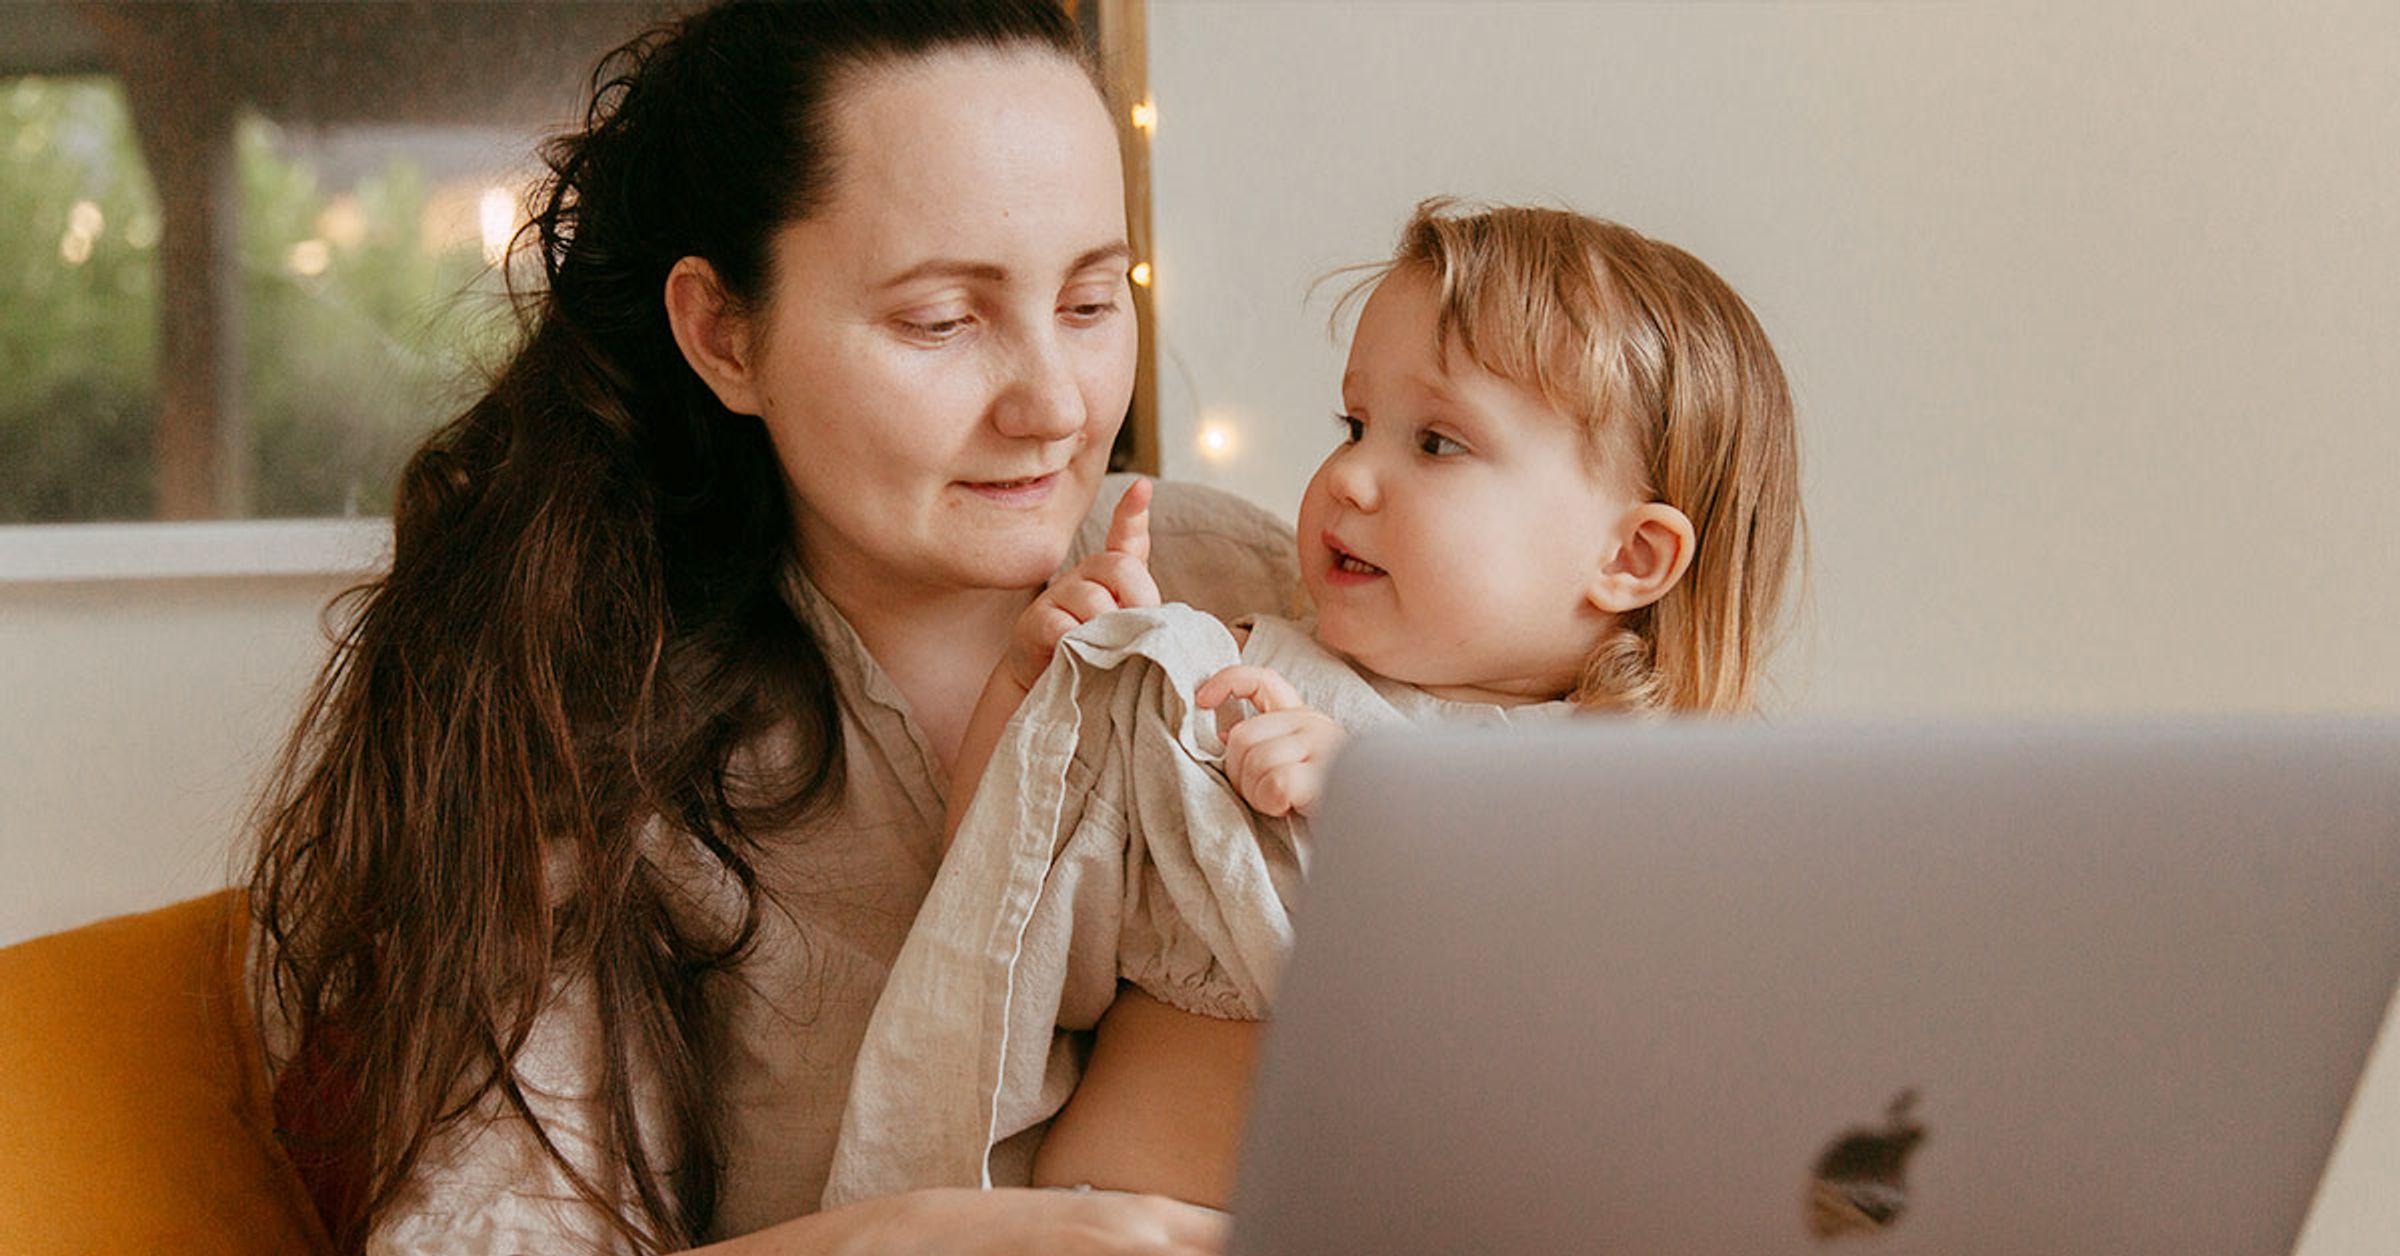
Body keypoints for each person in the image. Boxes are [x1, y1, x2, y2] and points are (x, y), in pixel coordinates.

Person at [245, 3, 1293, 1253]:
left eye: (1089, 301)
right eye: (941, 320)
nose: (1057, 406)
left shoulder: (1239, 577)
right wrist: (910, 1237)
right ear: (724, 336)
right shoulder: (583, 730)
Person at [826, 199, 1804, 1212]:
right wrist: (1034, 688)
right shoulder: (1224, 677)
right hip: (1089, 1228)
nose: (1349, 477)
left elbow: (1608, 1058)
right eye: (1353, 424)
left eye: (1435, 443)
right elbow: (1003, 892)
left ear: (1628, 556)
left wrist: (1389, 810)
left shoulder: (1631, 794)